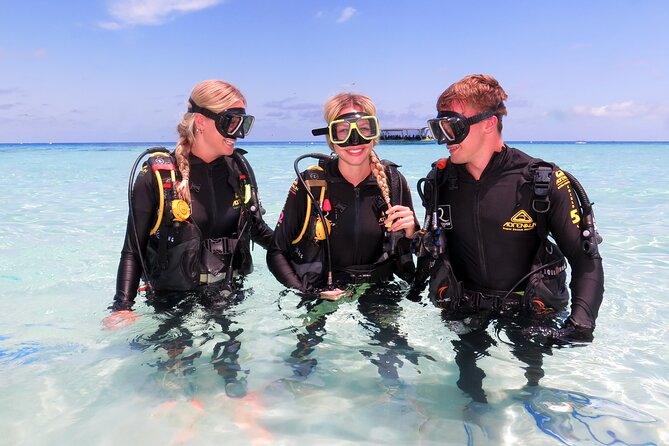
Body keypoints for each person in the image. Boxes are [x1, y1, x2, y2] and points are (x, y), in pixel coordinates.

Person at [414, 73, 604, 342]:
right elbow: (434, 245)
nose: (445, 139)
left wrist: (580, 326)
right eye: (439, 128)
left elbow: (586, 260)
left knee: (530, 385)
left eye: (453, 127)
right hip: (463, 310)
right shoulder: (440, 181)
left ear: (489, 123)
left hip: (532, 317)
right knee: (465, 383)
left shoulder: (542, 180)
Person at [105, 79, 273, 328]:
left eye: (244, 124)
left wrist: (304, 255)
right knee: (176, 365)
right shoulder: (158, 176)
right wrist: (122, 307)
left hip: (228, 294)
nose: (238, 133)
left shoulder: (239, 169)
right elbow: (133, 248)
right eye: (231, 122)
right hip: (172, 301)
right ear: (202, 122)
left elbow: (257, 228)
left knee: (229, 365)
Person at [267, 92, 418, 300]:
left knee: (391, 334)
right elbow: (276, 252)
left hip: (378, 290)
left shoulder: (393, 181)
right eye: (343, 132)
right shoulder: (311, 184)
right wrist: (308, 293)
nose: (354, 140)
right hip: (322, 290)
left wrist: (412, 234)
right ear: (331, 138)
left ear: (374, 134)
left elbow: (417, 252)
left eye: (364, 129)